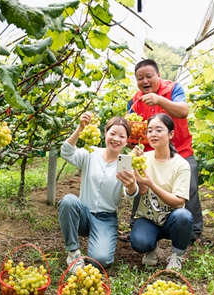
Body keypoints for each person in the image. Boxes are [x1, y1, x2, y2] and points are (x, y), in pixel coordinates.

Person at [125, 59, 204, 244]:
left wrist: (159, 99)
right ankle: (135, 226)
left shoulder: (173, 89)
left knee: (189, 189)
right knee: (140, 186)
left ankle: (194, 233)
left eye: (149, 76)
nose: (144, 81)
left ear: (158, 76)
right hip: (150, 154)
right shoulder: (135, 100)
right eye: (140, 78)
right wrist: (129, 139)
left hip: (181, 150)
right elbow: (131, 128)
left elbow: (183, 111)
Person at [58, 113, 138, 272]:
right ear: (105, 133)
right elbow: (66, 152)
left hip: (106, 218)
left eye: (122, 136)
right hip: (83, 213)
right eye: (112, 133)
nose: (116, 139)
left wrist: (131, 185)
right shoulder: (91, 153)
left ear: (127, 140)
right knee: (68, 201)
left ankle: (98, 240)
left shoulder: (125, 161)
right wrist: (80, 128)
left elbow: (130, 193)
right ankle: (73, 252)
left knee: (101, 261)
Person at [130, 114, 194, 270]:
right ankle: (150, 248)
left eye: (159, 130)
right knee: (139, 243)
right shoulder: (143, 158)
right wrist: (135, 172)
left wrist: (152, 184)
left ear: (171, 134)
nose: (153, 134)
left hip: (172, 220)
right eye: (149, 130)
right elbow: (143, 190)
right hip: (149, 218)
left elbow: (179, 202)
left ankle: (176, 256)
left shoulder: (181, 165)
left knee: (183, 216)